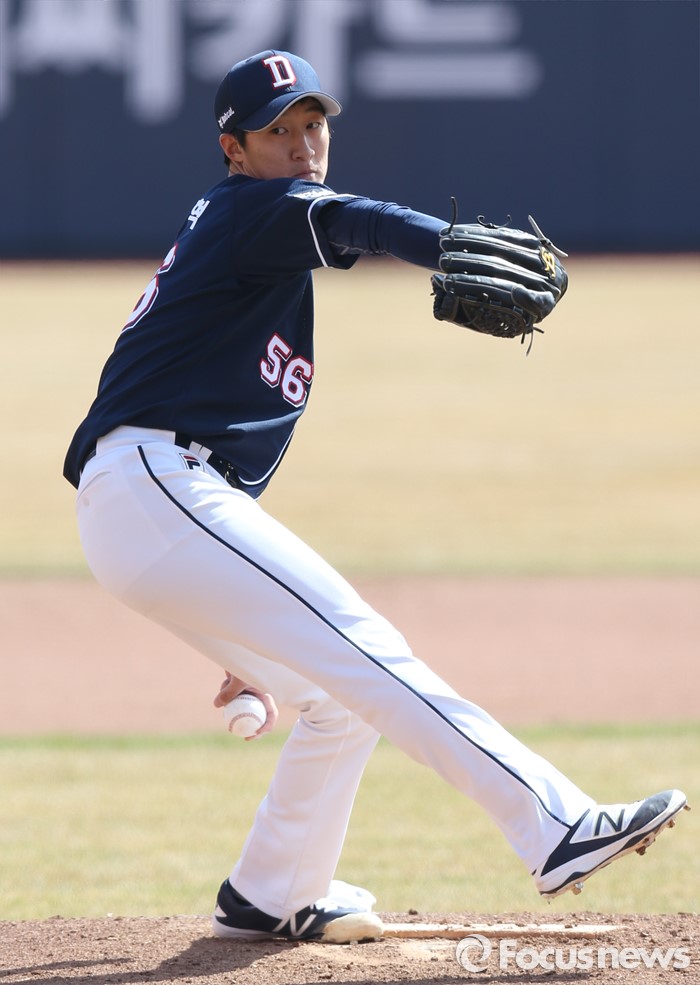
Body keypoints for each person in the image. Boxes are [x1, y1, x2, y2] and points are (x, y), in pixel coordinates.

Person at [64, 50, 687, 944]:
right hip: (157, 485)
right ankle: (557, 826)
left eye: (313, 123)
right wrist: (449, 245)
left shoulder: (248, 240)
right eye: (278, 129)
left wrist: (234, 619)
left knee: (337, 694)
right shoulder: (253, 211)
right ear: (234, 149)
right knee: (370, 651)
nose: (303, 143)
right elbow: (363, 220)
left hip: (154, 504)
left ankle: (272, 891)